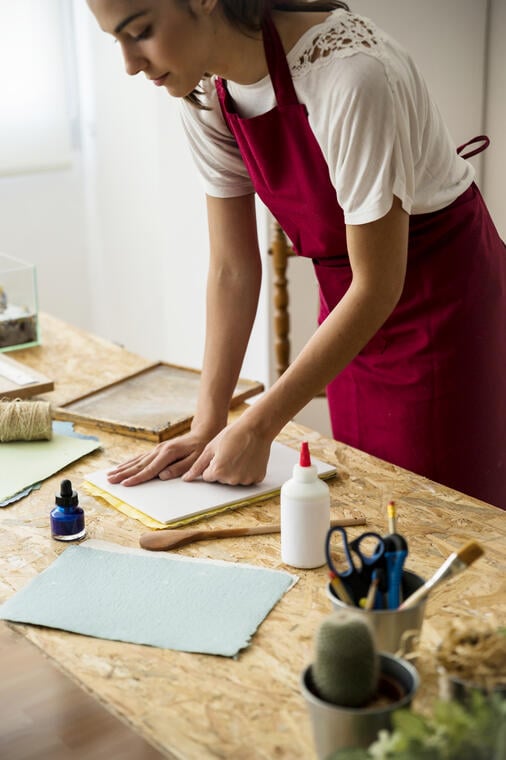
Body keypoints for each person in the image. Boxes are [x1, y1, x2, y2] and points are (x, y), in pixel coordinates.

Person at [87, 0, 506, 509]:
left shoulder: (352, 76)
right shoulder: (206, 93)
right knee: (370, 501)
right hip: (351, 311)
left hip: (443, 309)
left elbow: (378, 283)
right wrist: (208, 422)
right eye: (118, 40)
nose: (131, 64)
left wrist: (260, 425)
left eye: (142, 31)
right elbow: (232, 269)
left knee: (443, 517)